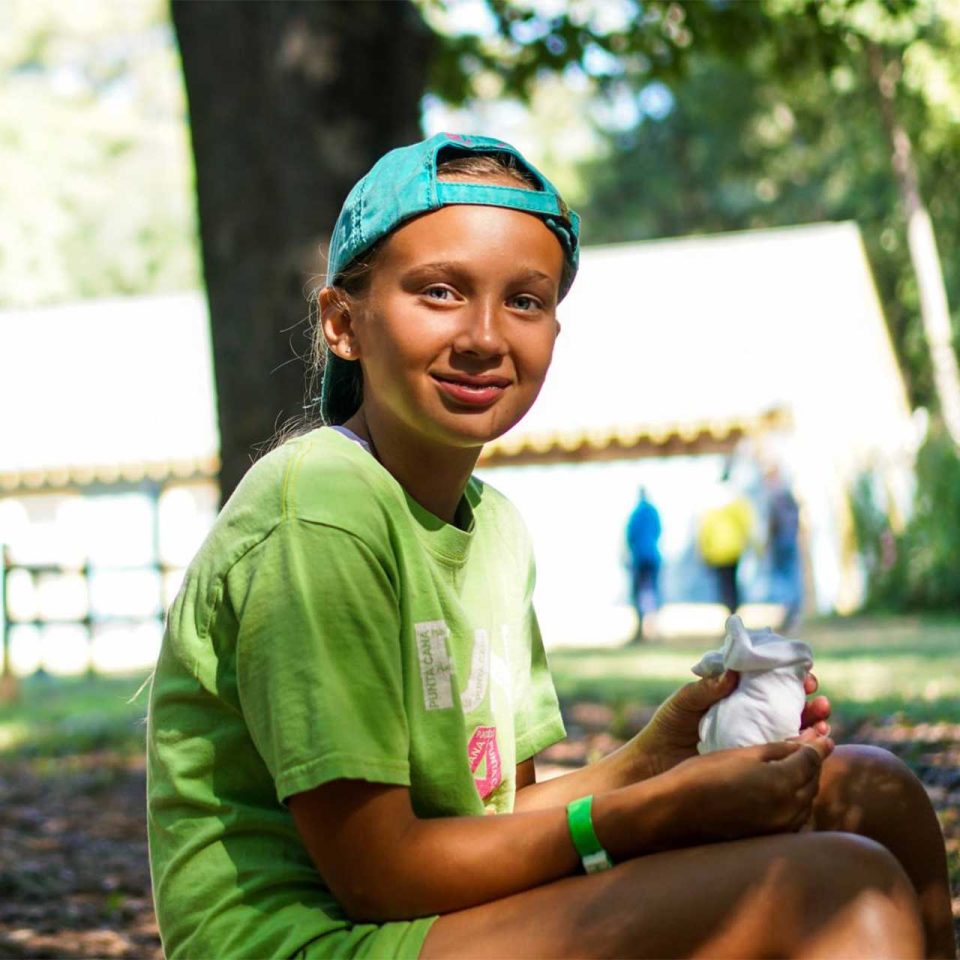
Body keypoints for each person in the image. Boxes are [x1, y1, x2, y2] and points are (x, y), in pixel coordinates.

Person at [147, 133, 955, 959]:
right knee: (841, 893)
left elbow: (494, 826)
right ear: (342, 322)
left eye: (525, 302)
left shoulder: (493, 527)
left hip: (418, 916)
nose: (485, 335)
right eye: (439, 292)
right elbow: (379, 874)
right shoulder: (318, 506)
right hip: (312, 939)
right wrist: (658, 812)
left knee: (874, 794)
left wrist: (656, 760)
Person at [698, 470, 755, 613]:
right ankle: (734, 609)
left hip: (717, 551)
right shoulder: (737, 501)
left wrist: (704, 551)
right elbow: (746, 524)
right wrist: (752, 545)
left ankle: (730, 609)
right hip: (734, 548)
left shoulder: (711, 504)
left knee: (724, 583)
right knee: (733, 582)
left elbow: (705, 529)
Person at [766, 466, 803, 632]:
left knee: (785, 581)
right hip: (790, 540)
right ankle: (792, 615)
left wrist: (768, 542)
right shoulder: (789, 495)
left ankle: (791, 615)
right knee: (792, 579)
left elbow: (773, 523)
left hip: (781, 543)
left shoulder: (776, 496)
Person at [625, 486, 662, 642]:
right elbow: (658, 530)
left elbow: (629, 536)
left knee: (638, 593)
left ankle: (641, 628)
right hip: (653, 556)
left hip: (639, 557)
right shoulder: (653, 512)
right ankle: (653, 627)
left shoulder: (635, 513)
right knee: (652, 591)